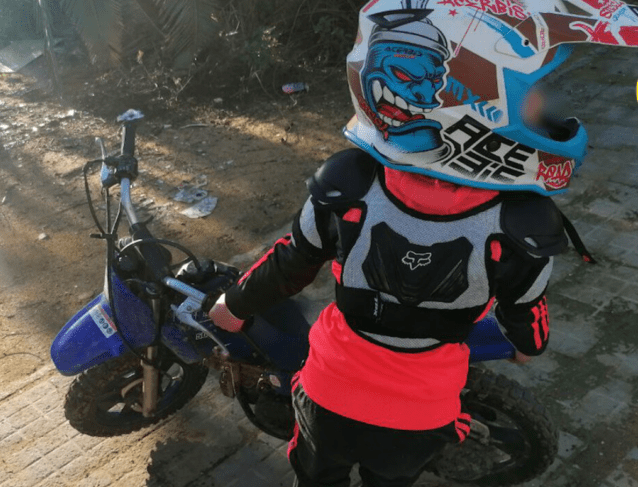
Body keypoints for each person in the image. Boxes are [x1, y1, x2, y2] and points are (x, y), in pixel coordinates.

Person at [210, 1, 638, 486]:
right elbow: (526, 313)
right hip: (421, 417)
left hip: (325, 397)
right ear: (471, 107)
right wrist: (526, 346)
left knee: (314, 475)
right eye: (535, 98)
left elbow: (290, 260)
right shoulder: (522, 224)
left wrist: (234, 304)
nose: (551, 109)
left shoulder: (347, 183)